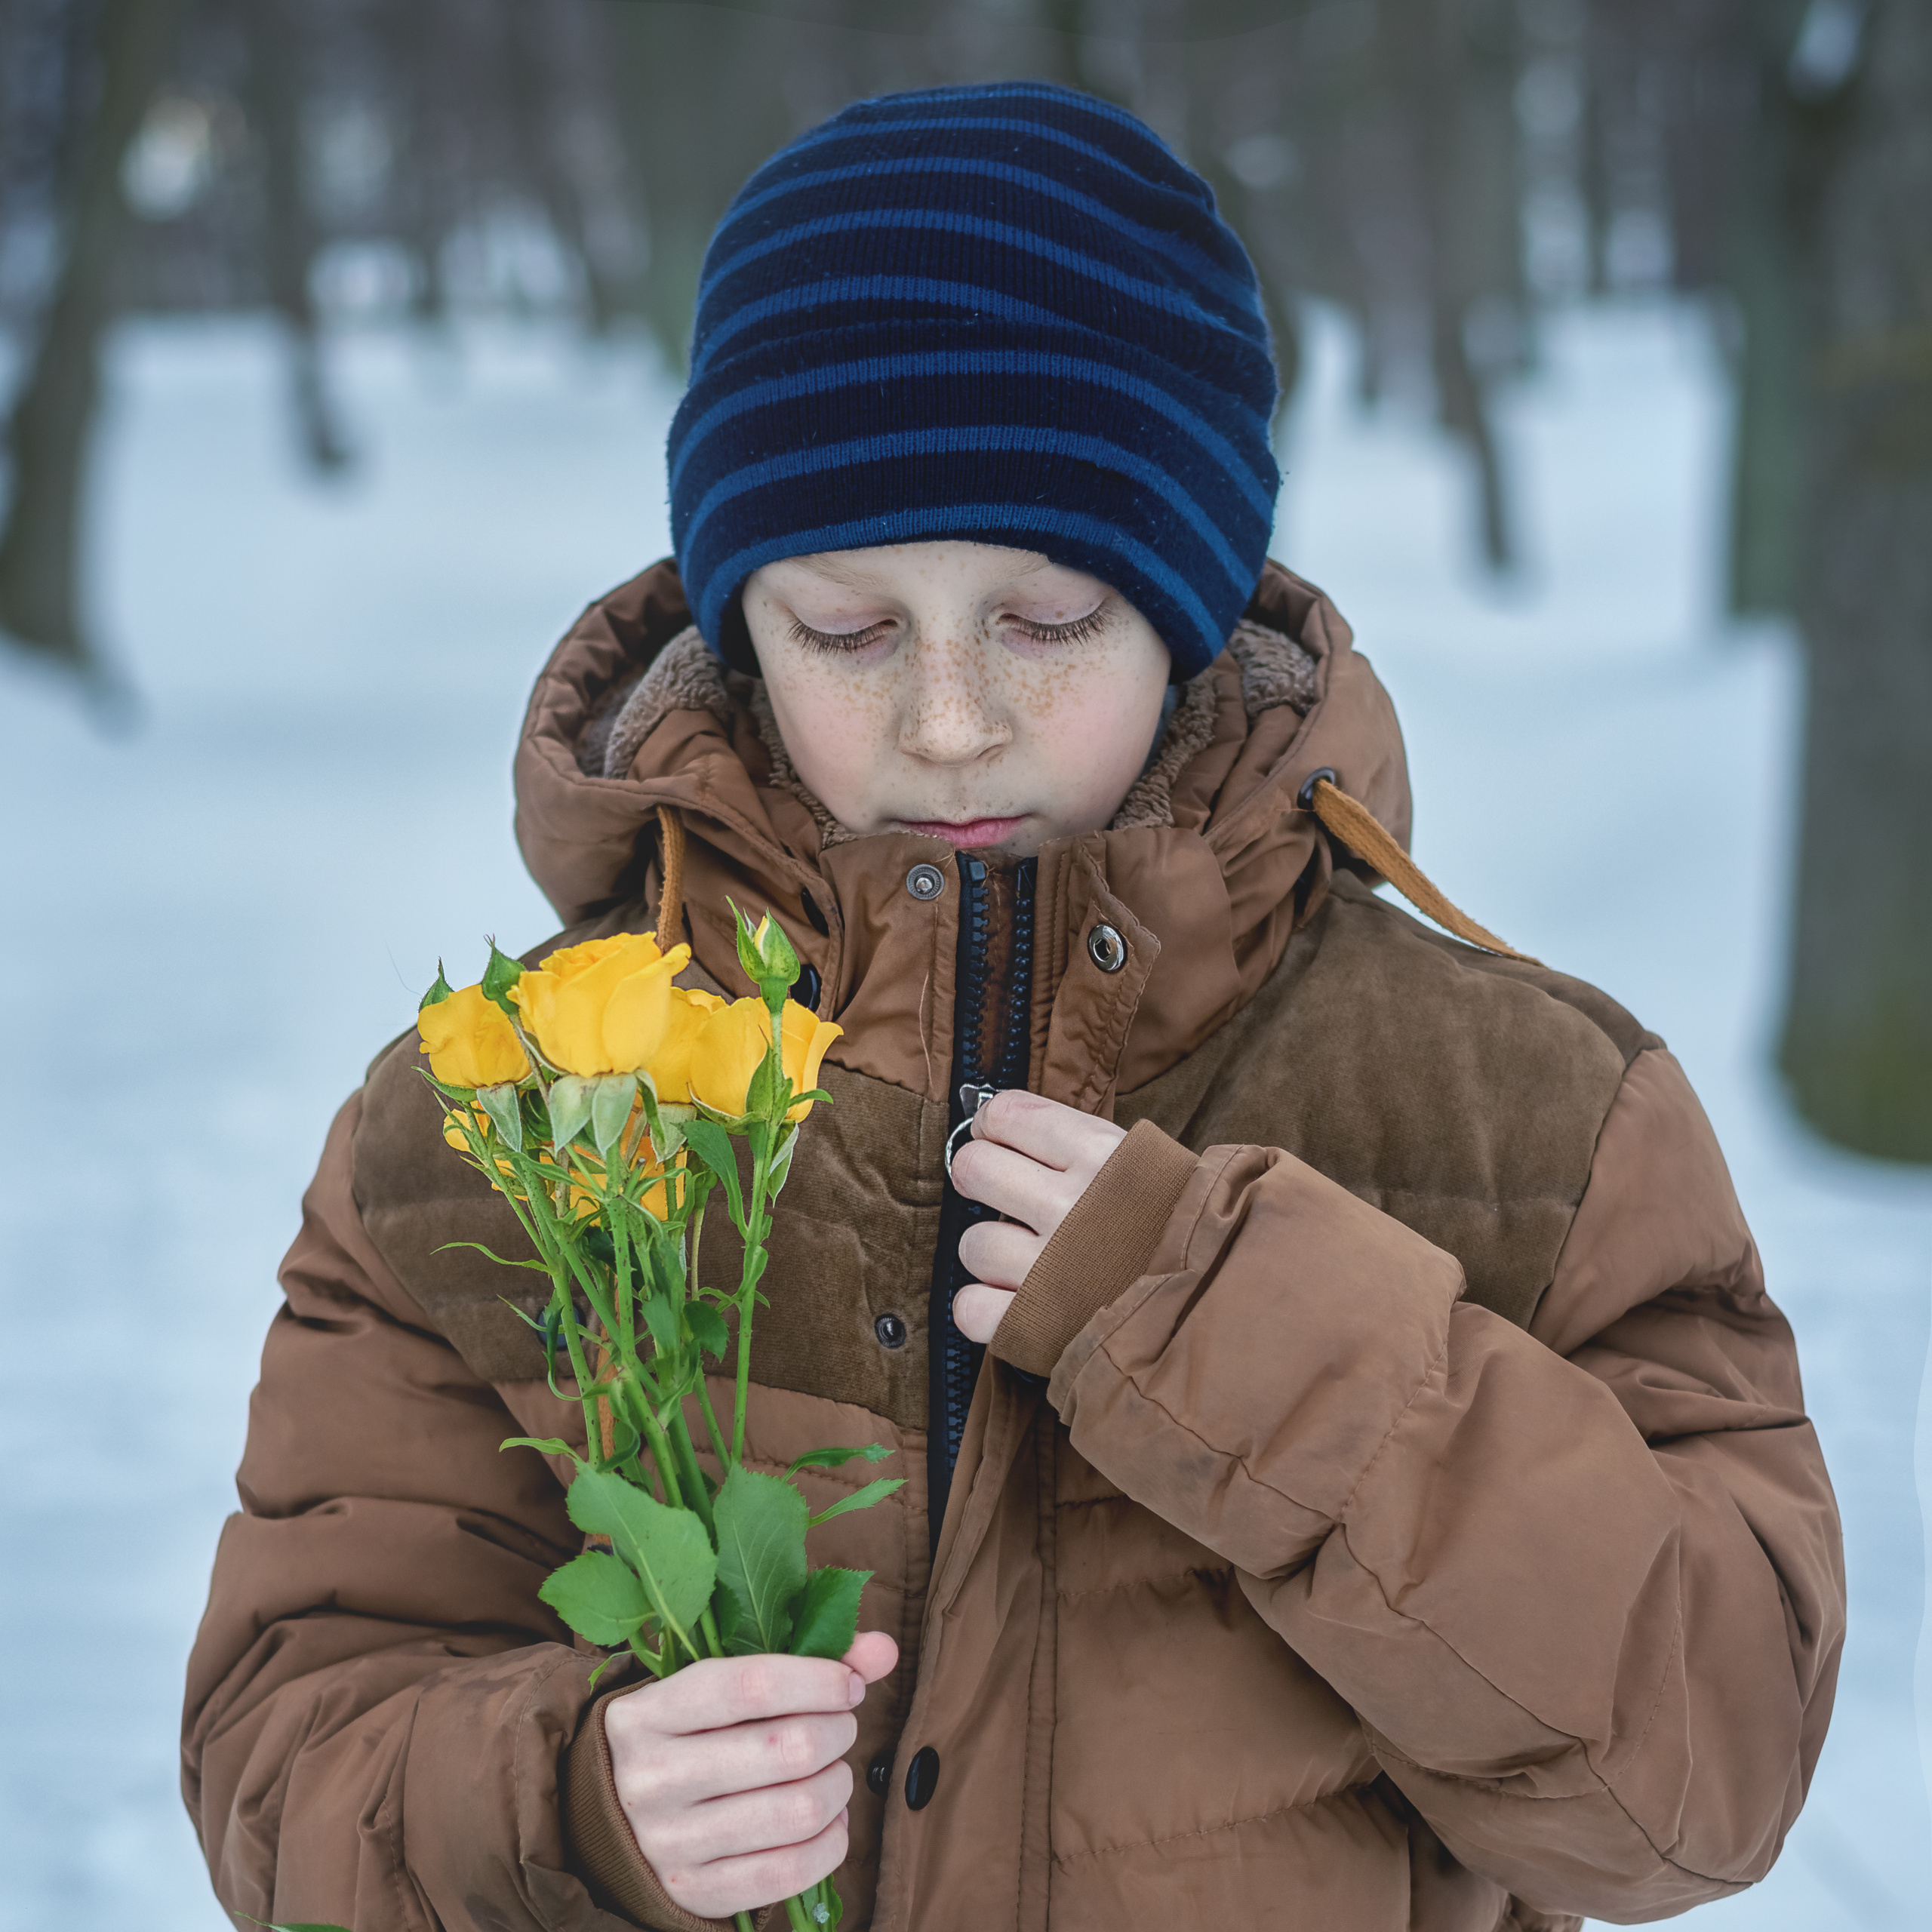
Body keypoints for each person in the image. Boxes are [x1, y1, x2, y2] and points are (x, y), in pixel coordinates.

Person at [183, 82, 1844, 1932]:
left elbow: (1698, 1787)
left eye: (1045, 620)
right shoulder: (498, 1116)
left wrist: (1257, 1336)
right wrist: (570, 1806)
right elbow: (285, 1766)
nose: (950, 720)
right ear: (737, 625)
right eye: (846, 629)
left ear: (1183, 603)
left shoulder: (1521, 1111)